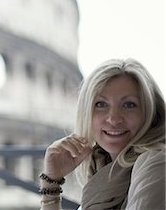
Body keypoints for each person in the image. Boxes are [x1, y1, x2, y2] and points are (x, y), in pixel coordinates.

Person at [39, 58, 165, 209]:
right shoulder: (103, 171)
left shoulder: (156, 161)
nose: (113, 118)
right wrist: (51, 183)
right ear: (86, 113)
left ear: (151, 112)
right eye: (101, 104)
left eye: (129, 105)